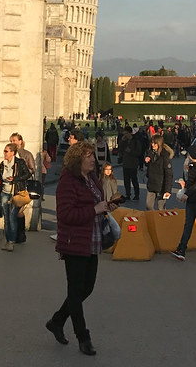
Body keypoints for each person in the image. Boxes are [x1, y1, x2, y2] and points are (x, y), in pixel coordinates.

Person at [45, 141, 116, 356]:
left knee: (87, 288)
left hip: (92, 241)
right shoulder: (68, 181)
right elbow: (65, 214)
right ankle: (83, 337)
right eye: (88, 156)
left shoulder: (92, 178)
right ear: (78, 159)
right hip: (74, 242)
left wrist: (106, 206)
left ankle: (57, 321)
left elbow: (96, 204)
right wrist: (94, 210)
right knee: (76, 291)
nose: (93, 159)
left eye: (93, 155)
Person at [0, 143, 30, 252]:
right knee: (6, 218)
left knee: (12, 217)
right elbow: (0, 176)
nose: (4, 153)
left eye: (6, 151)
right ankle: (7, 240)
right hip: (5, 192)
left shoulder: (19, 163)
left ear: (12, 152)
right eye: (4, 151)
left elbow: (27, 174)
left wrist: (15, 179)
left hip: (15, 193)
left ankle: (11, 242)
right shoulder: (2, 164)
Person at [9, 133, 35, 244]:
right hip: (12, 186)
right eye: (11, 140)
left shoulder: (26, 154)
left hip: (23, 185)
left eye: (14, 140)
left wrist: (21, 172)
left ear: (20, 141)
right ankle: (16, 233)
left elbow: (32, 169)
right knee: (13, 210)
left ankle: (20, 233)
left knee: (19, 210)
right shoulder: (9, 153)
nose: (13, 142)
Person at [144, 135, 172, 211]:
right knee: (148, 206)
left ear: (159, 144)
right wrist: (147, 161)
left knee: (161, 208)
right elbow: (149, 166)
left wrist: (167, 190)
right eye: (152, 143)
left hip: (161, 186)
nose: (152, 145)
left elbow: (169, 174)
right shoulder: (150, 153)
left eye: (154, 143)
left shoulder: (164, 155)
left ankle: (161, 222)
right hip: (151, 184)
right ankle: (152, 221)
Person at [117, 126, 140, 202]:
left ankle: (136, 194)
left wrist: (130, 151)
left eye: (126, 133)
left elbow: (139, 153)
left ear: (130, 133)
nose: (125, 135)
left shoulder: (136, 141)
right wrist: (122, 141)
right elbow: (120, 149)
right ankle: (128, 194)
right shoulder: (124, 141)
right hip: (126, 163)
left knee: (134, 179)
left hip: (133, 163)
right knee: (126, 180)